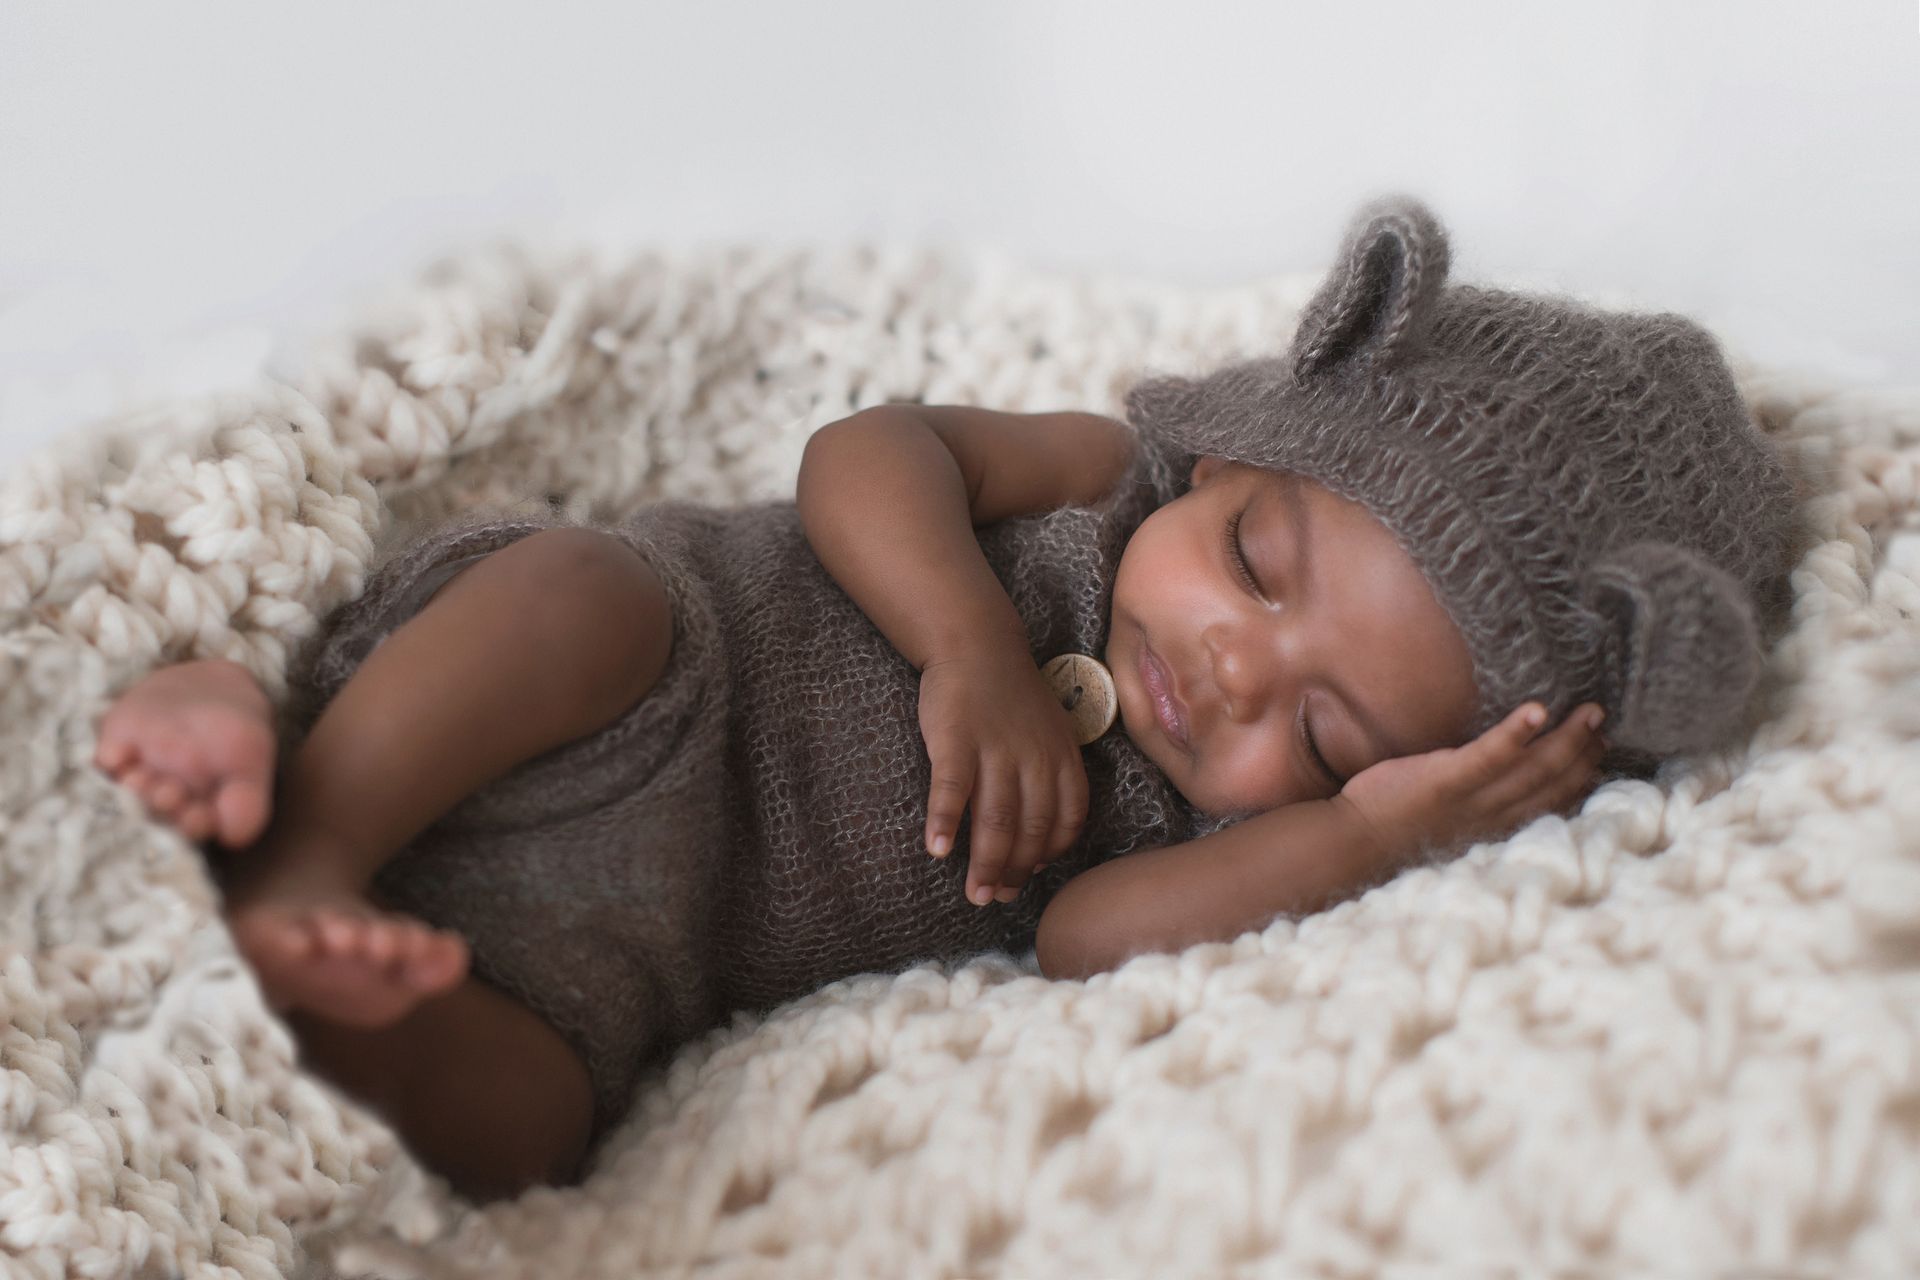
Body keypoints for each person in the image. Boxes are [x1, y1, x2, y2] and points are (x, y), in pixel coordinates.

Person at [89, 195, 1800, 1202]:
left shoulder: (1197, 830)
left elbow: (1083, 944)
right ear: (1237, 451)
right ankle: (311, 815)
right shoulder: (1106, 482)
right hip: (625, 675)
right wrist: (970, 646)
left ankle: (318, 979)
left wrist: (1357, 841)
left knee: (536, 1123)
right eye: (1261, 569)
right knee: (580, 588)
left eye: (1329, 731)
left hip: (625, 945)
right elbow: (865, 456)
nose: (1230, 671)